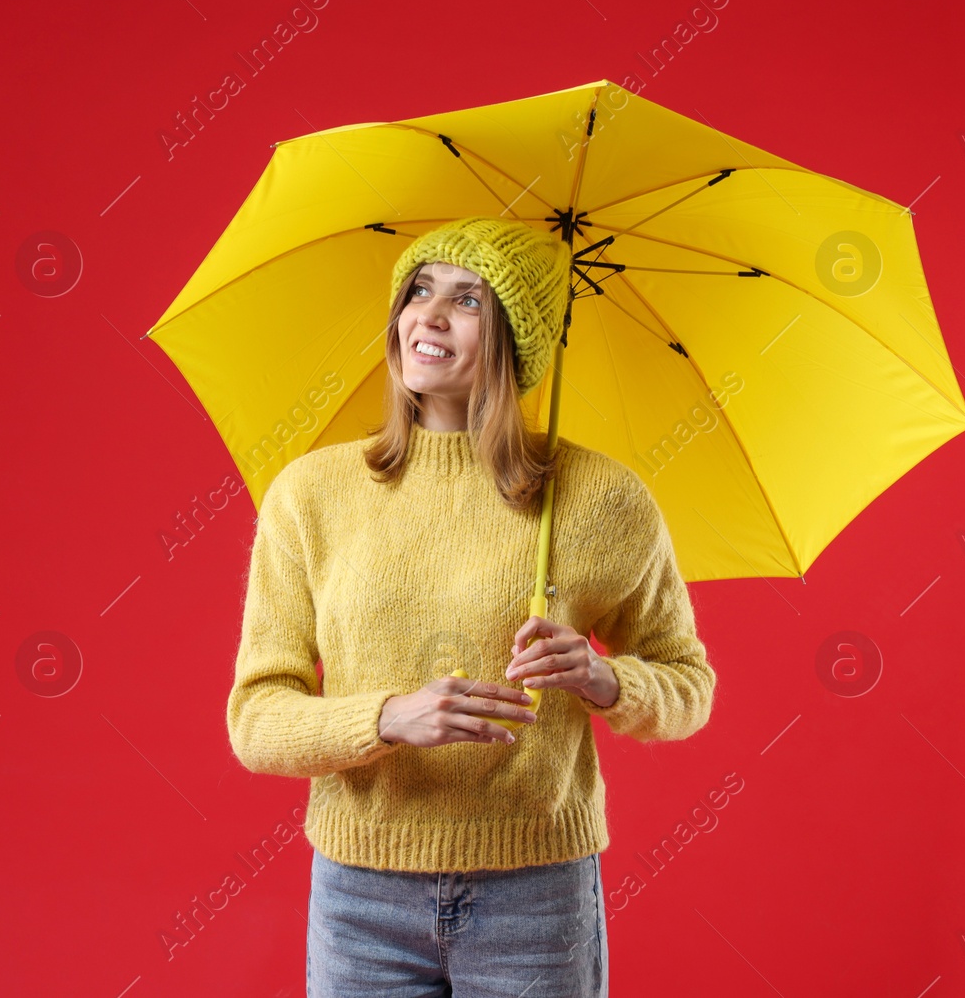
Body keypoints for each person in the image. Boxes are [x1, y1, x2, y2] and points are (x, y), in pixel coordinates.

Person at [225, 216, 718, 997]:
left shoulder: (603, 499)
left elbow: (688, 686)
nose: (429, 314)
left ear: (517, 340)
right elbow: (255, 719)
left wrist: (604, 678)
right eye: (418, 290)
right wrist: (387, 717)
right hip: (362, 896)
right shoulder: (310, 496)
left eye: (468, 301)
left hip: (538, 897)